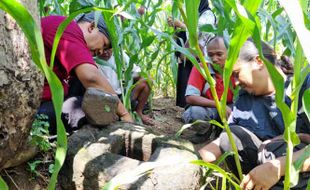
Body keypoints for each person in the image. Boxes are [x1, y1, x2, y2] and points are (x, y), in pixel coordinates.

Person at [199, 39, 310, 189]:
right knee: (231, 136)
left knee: (274, 150)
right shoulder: (244, 100)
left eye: (237, 74)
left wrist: (276, 168)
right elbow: (224, 142)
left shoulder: (304, 87)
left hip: (296, 168)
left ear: (259, 61)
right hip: (261, 167)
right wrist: (193, 161)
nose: (235, 82)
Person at [37, 12, 133, 134]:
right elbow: (91, 77)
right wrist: (124, 114)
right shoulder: (67, 27)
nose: (101, 52)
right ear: (92, 27)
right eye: (104, 44)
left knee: (85, 90)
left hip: (49, 101)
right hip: (37, 109)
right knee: (89, 108)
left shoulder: (69, 32)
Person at [182, 37, 234, 143]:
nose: (214, 59)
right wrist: (219, 105)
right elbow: (190, 97)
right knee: (194, 113)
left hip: (230, 107)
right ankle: (204, 131)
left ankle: (223, 131)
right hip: (208, 108)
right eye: (210, 55)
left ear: (228, 53)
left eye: (219, 54)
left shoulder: (237, 69)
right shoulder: (200, 68)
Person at [167, 0, 216, 107]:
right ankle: (182, 108)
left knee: (194, 85)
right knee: (184, 81)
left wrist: (180, 24)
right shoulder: (195, 15)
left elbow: (197, 32)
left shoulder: (207, 14)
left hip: (200, 58)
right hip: (189, 55)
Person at [98, 50, 154, 125]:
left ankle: (139, 113)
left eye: (108, 48)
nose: (105, 52)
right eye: (101, 49)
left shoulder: (119, 53)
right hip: (105, 98)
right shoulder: (92, 59)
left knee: (147, 80)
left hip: (123, 95)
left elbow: (137, 72)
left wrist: (128, 76)